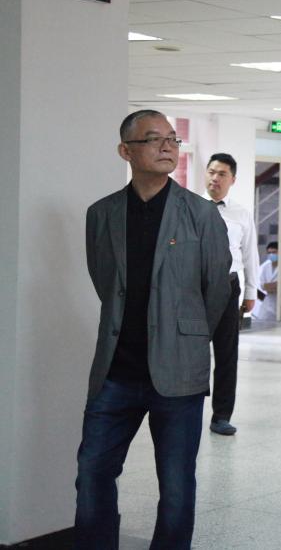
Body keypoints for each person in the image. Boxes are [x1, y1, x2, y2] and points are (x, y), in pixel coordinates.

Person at [75, 110, 231, 548]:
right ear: (126, 151)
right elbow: (105, 281)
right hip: (115, 372)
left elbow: (216, 289)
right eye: (153, 139)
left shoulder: (201, 214)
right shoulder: (102, 214)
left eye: (172, 139)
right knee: (92, 472)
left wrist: (186, 335)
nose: (167, 147)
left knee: (176, 485)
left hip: (178, 374)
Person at [204, 152, 259, 436]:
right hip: (196, 288)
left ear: (232, 180)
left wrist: (251, 291)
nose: (215, 178)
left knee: (226, 354)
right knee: (191, 352)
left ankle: (221, 415)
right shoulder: (190, 207)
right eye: (211, 172)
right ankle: (186, 408)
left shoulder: (241, 213)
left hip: (228, 286)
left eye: (222, 174)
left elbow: (250, 254)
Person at [252, 242, 279, 323]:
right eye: (269, 253)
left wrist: (272, 286)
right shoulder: (265, 267)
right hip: (267, 301)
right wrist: (273, 286)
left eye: (274, 252)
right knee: (262, 322)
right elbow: (262, 285)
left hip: (279, 302)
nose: (271, 255)